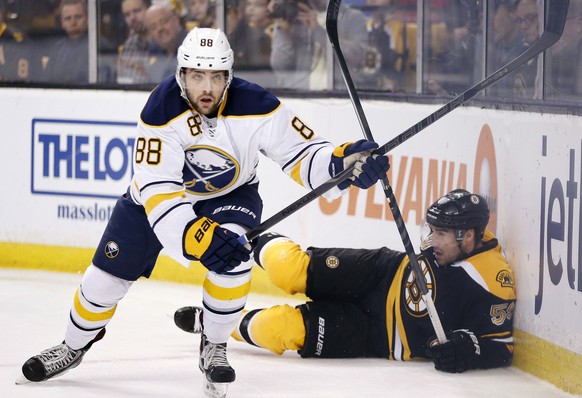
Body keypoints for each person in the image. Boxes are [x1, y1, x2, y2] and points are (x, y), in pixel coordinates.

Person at [19, 27, 389, 398]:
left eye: (215, 76)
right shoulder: (160, 110)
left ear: (229, 76)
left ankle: (214, 344)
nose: (207, 87)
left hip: (231, 194)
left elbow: (304, 155)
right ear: (182, 75)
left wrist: (343, 163)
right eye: (197, 76)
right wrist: (191, 235)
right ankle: (72, 346)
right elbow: (158, 189)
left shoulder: (258, 104)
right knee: (103, 281)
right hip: (154, 202)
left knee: (233, 259)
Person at [175, 189, 516, 373]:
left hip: (378, 336)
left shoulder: (492, 281)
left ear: (467, 236)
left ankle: (217, 322)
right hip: (379, 272)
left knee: (280, 328)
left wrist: (467, 350)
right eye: (433, 230)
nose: (432, 240)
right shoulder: (451, 242)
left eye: (441, 234)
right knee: (286, 268)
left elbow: (500, 348)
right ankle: (242, 239)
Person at [269, 0, 368, 90]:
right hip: (301, 96)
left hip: (339, 96)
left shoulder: (353, 17)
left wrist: (317, 31)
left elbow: (358, 57)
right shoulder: (294, 16)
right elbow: (280, 66)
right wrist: (283, 31)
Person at [41, 0, 90, 83]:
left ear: (87, 19)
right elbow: (47, 81)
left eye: (78, 17)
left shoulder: (98, 46)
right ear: (62, 23)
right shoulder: (56, 50)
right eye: (68, 18)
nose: (73, 23)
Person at [143, 2, 188, 82]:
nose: (160, 28)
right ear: (150, 34)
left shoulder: (194, 47)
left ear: (176, 20)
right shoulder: (152, 53)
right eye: (153, 27)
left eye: (163, 22)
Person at [116, 0, 153, 84]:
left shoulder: (164, 42)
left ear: (150, 9)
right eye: (127, 15)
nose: (132, 18)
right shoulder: (129, 45)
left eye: (136, 11)